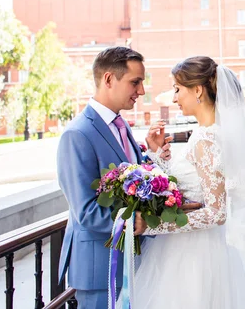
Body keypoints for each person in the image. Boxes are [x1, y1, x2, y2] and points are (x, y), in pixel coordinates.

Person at [127, 56, 245, 308]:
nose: (174, 98)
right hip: (195, 248)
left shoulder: (207, 139)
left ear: (198, 90)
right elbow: (193, 187)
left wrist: (153, 225)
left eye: (177, 89)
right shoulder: (206, 134)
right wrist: (157, 156)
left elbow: (216, 213)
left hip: (195, 256)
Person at [57, 47, 172, 308]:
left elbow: (133, 181)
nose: (141, 91)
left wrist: (152, 157)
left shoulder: (123, 126)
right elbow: (85, 210)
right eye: (135, 82)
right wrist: (133, 223)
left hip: (132, 261)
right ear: (109, 79)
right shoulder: (77, 134)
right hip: (99, 267)